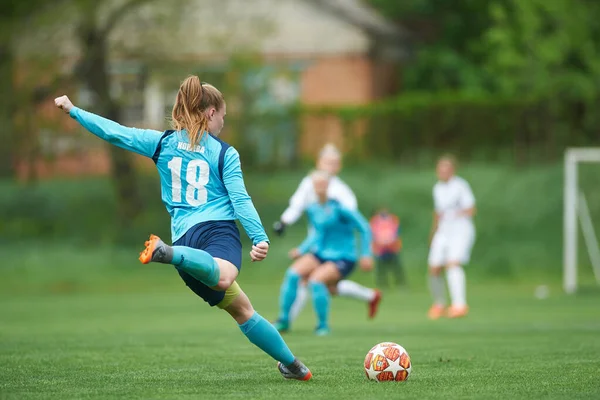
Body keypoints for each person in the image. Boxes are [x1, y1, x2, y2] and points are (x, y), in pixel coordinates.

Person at [54, 75, 311, 381]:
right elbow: (240, 199)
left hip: (187, 240)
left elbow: (116, 133)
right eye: (223, 117)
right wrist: (259, 236)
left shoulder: (161, 143)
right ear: (211, 113)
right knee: (226, 276)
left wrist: (75, 111)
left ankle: (293, 366)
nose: (223, 125)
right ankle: (170, 253)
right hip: (214, 232)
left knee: (242, 309)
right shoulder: (224, 152)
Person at [273, 144, 381, 321]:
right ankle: (285, 320)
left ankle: (295, 322)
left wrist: (365, 252)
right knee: (307, 280)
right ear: (319, 162)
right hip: (317, 242)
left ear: (339, 166)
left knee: (316, 282)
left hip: (338, 248)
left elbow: (355, 222)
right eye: (327, 162)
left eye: (334, 163)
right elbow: (297, 205)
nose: (330, 166)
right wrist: (284, 222)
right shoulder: (309, 183)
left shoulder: (342, 192)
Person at [427, 155, 476, 319]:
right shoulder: (437, 188)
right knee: (434, 267)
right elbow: (438, 213)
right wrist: (433, 232)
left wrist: (454, 214)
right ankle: (439, 304)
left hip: (460, 230)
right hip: (443, 232)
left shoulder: (461, 186)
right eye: (440, 168)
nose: (442, 171)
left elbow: (471, 209)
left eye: (446, 168)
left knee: (452, 264)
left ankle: (459, 305)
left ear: (452, 170)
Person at [370, 208, 407, 289]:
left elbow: (397, 232)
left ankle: (401, 285)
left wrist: (389, 240)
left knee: (396, 268)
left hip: (392, 247)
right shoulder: (375, 221)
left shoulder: (393, 219)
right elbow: (373, 233)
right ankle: (383, 285)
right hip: (380, 249)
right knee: (381, 269)